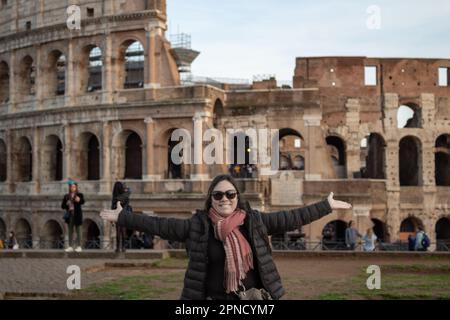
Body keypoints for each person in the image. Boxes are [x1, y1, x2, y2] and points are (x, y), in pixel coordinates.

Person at [100, 174, 352, 300]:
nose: (224, 200)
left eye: (230, 195)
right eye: (218, 195)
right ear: (210, 199)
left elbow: (292, 217)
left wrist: (325, 206)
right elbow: (160, 225)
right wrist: (123, 217)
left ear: (237, 198)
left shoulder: (254, 221)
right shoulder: (198, 226)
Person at [61, 181, 85, 252]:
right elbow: (62, 206)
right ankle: (70, 246)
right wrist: (66, 204)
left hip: (77, 215)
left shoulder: (80, 195)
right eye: (71, 187)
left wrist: (79, 200)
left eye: (74, 187)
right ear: (69, 188)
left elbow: (83, 201)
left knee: (78, 231)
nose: (72, 188)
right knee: (70, 231)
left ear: (76, 187)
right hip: (70, 215)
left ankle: (79, 246)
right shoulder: (66, 196)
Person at [112, 181, 132, 253]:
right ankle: (123, 247)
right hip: (124, 214)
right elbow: (130, 192)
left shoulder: (115, 196)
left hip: (117, 214)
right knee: (123, 231)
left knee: (118, 231)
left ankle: (118, 247)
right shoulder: (124, 195)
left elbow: (113, 207)